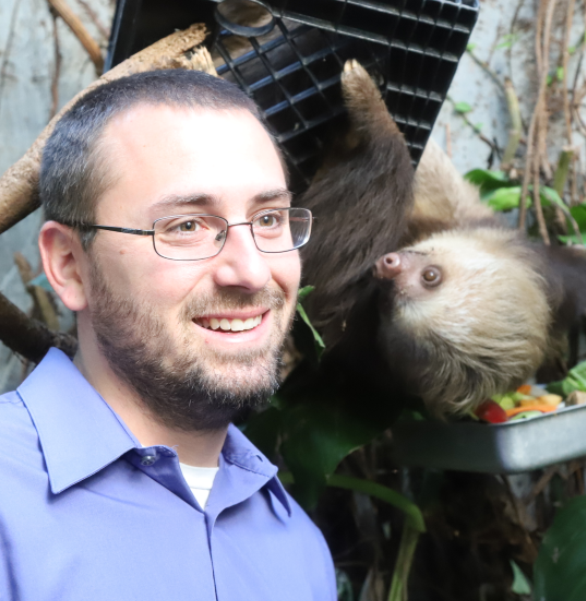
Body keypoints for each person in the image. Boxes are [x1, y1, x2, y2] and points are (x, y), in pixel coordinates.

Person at [0, 69, 336, 600]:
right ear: (69, 265)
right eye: (186, 226)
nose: (251, 272)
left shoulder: (297, 547)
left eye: (269, 218)